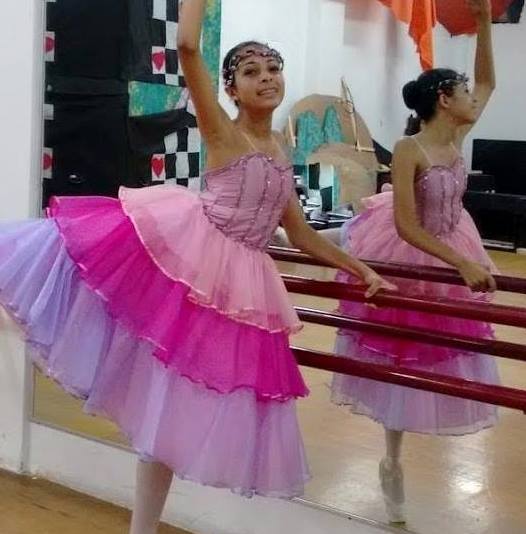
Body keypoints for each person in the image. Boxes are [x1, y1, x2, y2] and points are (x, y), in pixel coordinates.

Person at [0, 1, 394, 533]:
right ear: (231, 90)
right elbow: (187, 48)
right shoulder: (223, 132)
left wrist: (360, 268)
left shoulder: (280, 151)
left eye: (273, 68)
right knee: (157, 392)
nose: (266, 78)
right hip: (196, 263)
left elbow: (299, 234)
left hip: (243, 285)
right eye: (251, 72)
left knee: (181, 407)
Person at [331, 0, 499, 524]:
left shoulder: (457, 136)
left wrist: (485, 22)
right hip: (413, 246)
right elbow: (407, 225)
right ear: (445, 100)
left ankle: (406, 438)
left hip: (454, 237)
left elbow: (488, 82)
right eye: (464, 92)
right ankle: (391, 456)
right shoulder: (411, 149)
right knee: (398, 346)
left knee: (442, 346)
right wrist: (459, 264)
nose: (474, 97)